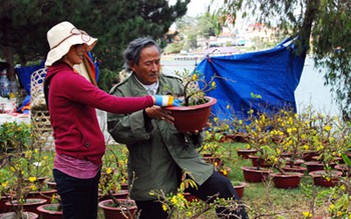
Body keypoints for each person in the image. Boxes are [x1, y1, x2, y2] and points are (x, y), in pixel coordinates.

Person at [44, 21, 180, 219]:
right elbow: (110, 103)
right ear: (65, 50)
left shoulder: (61, 76)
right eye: (77, 46)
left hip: (82, 167)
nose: (83, 50)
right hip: (76, 169)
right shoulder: (67, 79)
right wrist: (153, 99)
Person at [107, 37, 249, 219]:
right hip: (151, 167)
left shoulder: (174, 85)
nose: (155, 68)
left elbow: (190, 116)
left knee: (222, 189)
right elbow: (117, 130)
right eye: (148, 63)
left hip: (185, 161)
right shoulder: (122, 93)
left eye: (157, 62)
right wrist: (145, 115)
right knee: (155, 212)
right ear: (133, 65)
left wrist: (195, 129)